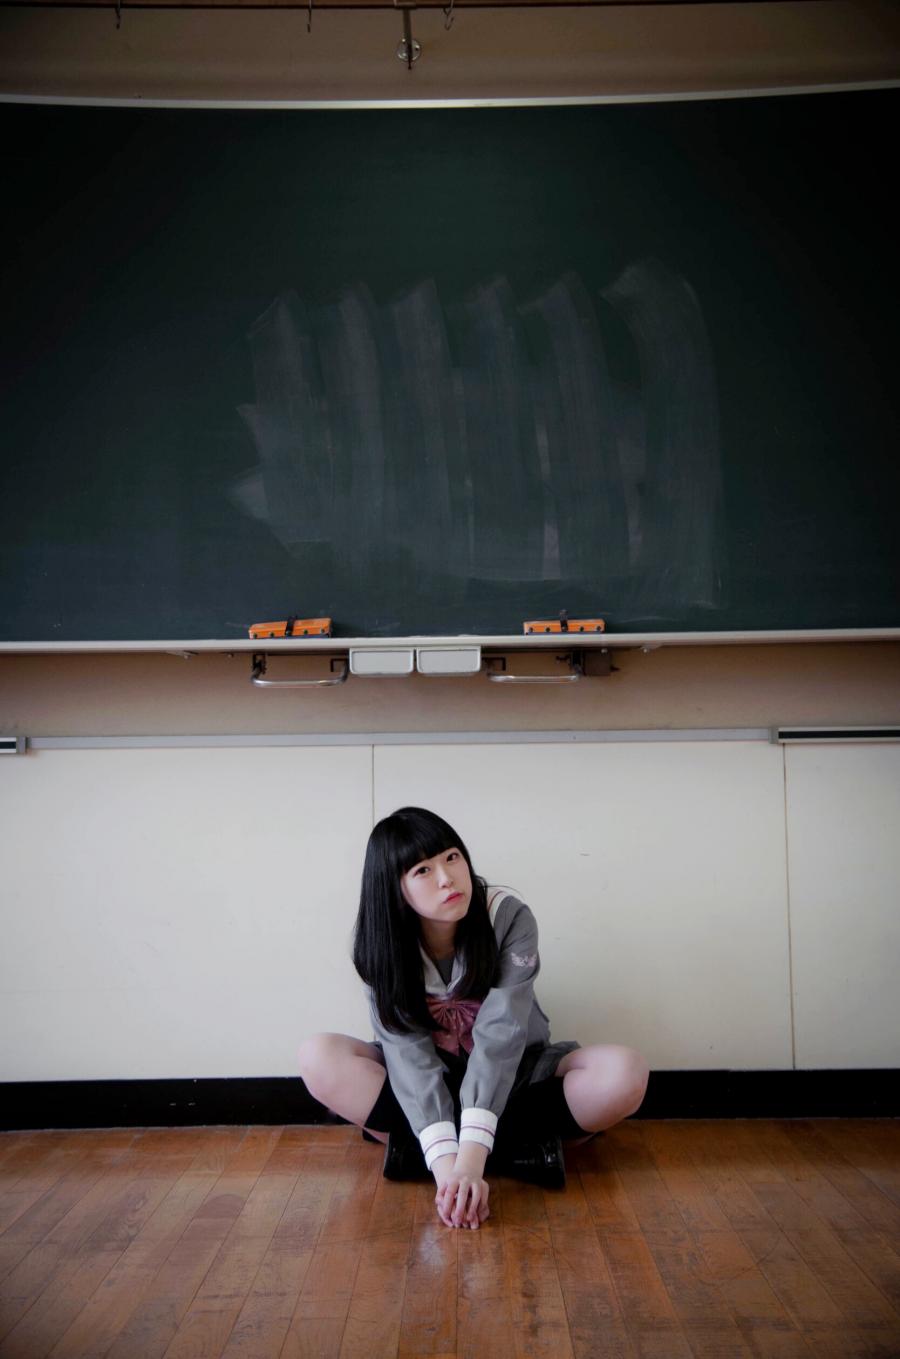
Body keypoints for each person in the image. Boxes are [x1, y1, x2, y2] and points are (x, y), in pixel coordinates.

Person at [298, 806, 649, 1230]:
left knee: (625, 1072)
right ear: (395, 889)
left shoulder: (507, 916)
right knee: (319, 1055)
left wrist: (468, 1158)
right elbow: (406, 1052)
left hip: (516, 1075)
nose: (447, 878)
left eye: (452, 857)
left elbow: (504, 1033)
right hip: (428, 1083)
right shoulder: (380, 945)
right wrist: (452, 1168)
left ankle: (434, 1153)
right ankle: (493, 1156)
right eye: (423, 871)